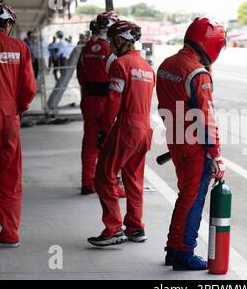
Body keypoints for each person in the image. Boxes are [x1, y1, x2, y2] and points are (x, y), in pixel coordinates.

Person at [156, 17, 226, 270]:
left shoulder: (166, 64)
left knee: (185, 195)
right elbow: (206, 118)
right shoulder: (198, 73)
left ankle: (173, 248)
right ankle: (184, 253)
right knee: (194, 197)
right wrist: (216, 155)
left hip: (174, 137)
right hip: (194, 142)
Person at [88, 20, 155, 247]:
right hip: (145, 129)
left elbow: (113, 102)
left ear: (119, 39)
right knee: (134, 180)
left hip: (127, 127)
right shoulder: (147, 68)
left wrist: (103, 132)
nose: (109, 45)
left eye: (111, 39)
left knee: (103, 176)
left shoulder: (120, 64)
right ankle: (136, 228)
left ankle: (114, 228)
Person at [0, 3, 36, 248]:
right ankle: (10, 234)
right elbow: (28, 90)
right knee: (10, 180)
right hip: (9, 120)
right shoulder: (20, 47)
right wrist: (18, 111)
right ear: (7, 23)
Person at [76, 12, 125, 197]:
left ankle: (87, 183)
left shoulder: (86, 48)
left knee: (89, 144)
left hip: (89, 101)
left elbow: (81, 77)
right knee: (110, 145)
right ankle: (111, 185)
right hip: (108, 102)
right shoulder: (111, 53)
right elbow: (119, 80)